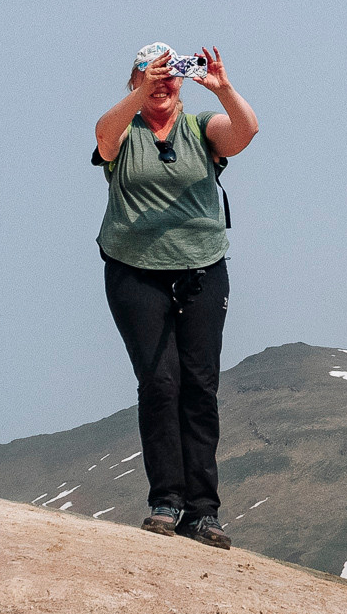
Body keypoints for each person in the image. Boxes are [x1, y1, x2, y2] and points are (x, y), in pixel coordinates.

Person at [94, 44, 260, 547]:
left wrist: (224, 88)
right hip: (135, 272)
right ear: (135, 83)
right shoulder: (124, 132)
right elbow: (103, 138)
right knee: (160, 383)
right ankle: (166, 500)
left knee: (200, 385)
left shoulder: (200, 127)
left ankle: (203, 511)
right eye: (150, 75)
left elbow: (245, 133)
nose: (162, 83)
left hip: (202, 269)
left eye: (170, 75)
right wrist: (141, 91)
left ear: (184, 83)